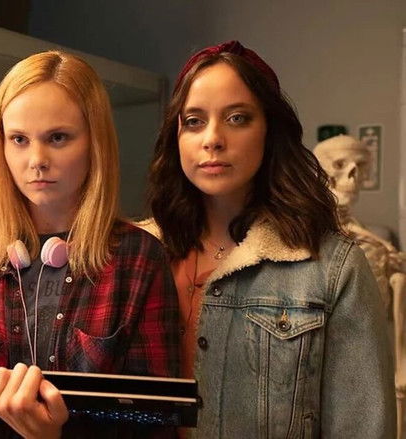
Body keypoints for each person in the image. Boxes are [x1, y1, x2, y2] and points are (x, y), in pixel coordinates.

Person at [139, 40, 395, 437]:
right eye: (193, 121)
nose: (212, 138)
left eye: (237, 118)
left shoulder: (331, 267)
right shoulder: (138, 253)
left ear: (270, 131)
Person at [0, 50, 180, 438]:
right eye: (19, 139)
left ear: (95, 143)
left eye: (57, 138)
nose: (36, 160)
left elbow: (156, 424)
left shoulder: (138, 259)